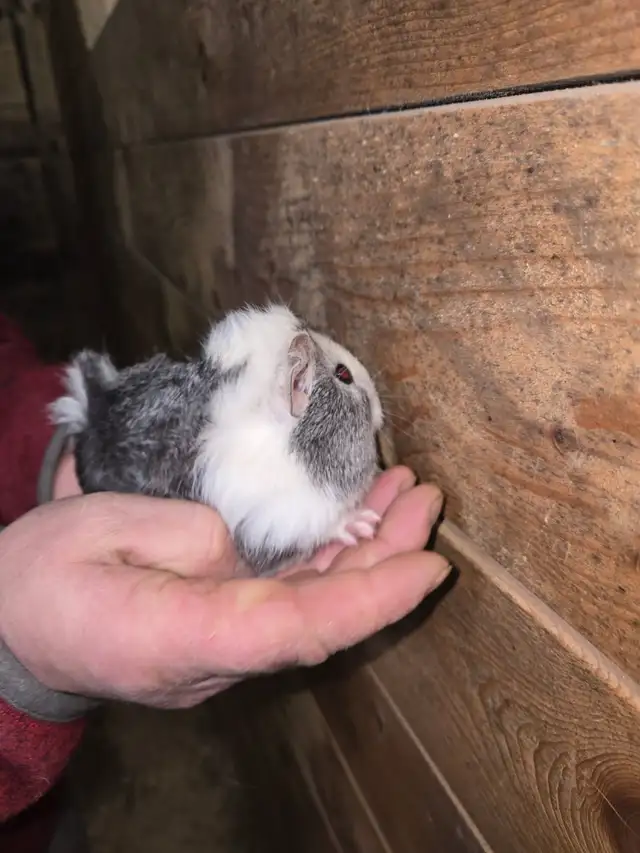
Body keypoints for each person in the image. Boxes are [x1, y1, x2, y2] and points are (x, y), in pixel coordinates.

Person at [0, 312, 450, 850]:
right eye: (344, 380)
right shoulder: (263, 488)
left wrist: (53, 463)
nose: (364, 389)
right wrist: (16, 659)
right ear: (298, 394)